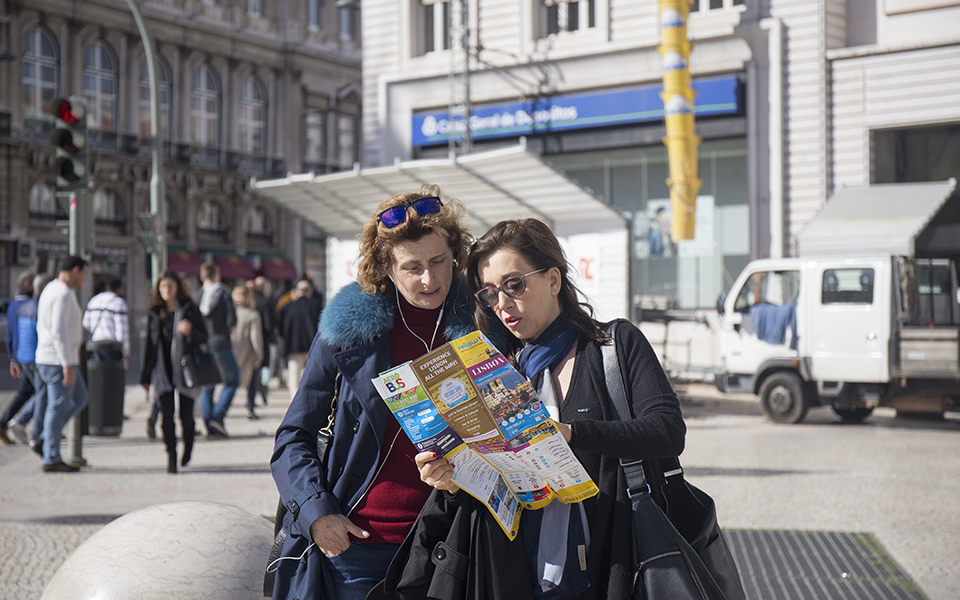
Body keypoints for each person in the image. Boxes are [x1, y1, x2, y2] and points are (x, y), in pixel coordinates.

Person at [412, 218, 686, 600]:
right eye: (489, 294)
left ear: (554, 280)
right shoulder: (500, 371)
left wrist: (571, 433)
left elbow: (668, 431)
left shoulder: (614, 345)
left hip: (611, 565)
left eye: (514, 285)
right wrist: (453, 480)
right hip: (518, 572)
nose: (503, 304)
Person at [269, 187, 475, 600]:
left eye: (439, 262)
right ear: (386, 268)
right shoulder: (347, 335)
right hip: (360, 545)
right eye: (412, 267)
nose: (429, 279)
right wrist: (316, 512)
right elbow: (293, 437)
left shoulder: (483, 326)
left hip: (455, 540)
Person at [141, 270, 208, 474]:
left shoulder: (189, 310)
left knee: (186, 416)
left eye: (170, 286)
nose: (166, 290)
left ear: (177, 287)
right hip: (162, 370)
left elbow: (203, 337)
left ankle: (188, 444)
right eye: (162, 287)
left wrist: (190, 333)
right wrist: (144, 376)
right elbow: (149, 346)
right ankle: (171, 455)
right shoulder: (154, 312)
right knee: (166, 416)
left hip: (185, 369)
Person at [36, 256, 90, 473]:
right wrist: (67, 364)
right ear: (76, 270)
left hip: (57, 358)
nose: (84, 279)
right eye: (84, 274)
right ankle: (51, 456)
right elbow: (58, 331)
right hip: (58, 360)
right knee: (57, 408)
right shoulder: (63, 294)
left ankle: (46, 438)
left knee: (79, 398)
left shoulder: (51, 288)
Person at [6, 274, 53, 452]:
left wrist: (13, 358)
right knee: (43, 394)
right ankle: (28, 427)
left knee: (39, 393)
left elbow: (13, 335)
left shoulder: (22, 306)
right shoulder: (41, 308)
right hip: (38, 358)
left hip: (24, 357)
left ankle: (33, 427)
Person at [193, 261, 239, 438]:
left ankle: (208, 424)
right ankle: (218, 417)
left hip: (203, 345)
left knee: (208, 385)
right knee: (233, 381)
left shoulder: (197, 296)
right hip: (222, 344)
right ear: (217, 275)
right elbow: (232, 321)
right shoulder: (224, 293)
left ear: (202, 276)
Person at [1, 271, 35, 445]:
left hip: (18, 353)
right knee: (37, 391)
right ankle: (15, 423)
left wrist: (12, 358)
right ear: (28, 285)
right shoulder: (30, 305)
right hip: (29, 354)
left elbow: (9, 335)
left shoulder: (13, 305)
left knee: (28, 392)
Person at [278, 278, 321, 399]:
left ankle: (295, 401)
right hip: (312, 346)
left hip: (293, 346)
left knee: (294, 375)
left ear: (297, 291)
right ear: (310, 292)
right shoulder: (316, 306)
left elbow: (282, 328)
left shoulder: (288, 307)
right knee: (309, 374)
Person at [231, 285, 264, 419]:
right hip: (247, 352)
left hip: (231, 350)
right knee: (251, 381)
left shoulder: (229, 312)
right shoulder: (253, 314)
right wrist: (259, 354)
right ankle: (250, 407)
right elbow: (255, 336)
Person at [82, 276, 130, 362]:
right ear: (119, 288)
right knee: (113, 374)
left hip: (95, 344)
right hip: (113, 347)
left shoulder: (94, 300)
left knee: (96, 374)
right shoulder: (119, 303)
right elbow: (122, 330)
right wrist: (125, 352)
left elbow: (86, 323)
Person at [251, 276, 274, 405]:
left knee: (253, 370)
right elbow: (269, 324)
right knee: (260, 368)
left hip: (247, 341)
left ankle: (252, 399)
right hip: (262, 338)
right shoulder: (265, 301)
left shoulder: (250, 300)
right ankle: (261, 389)